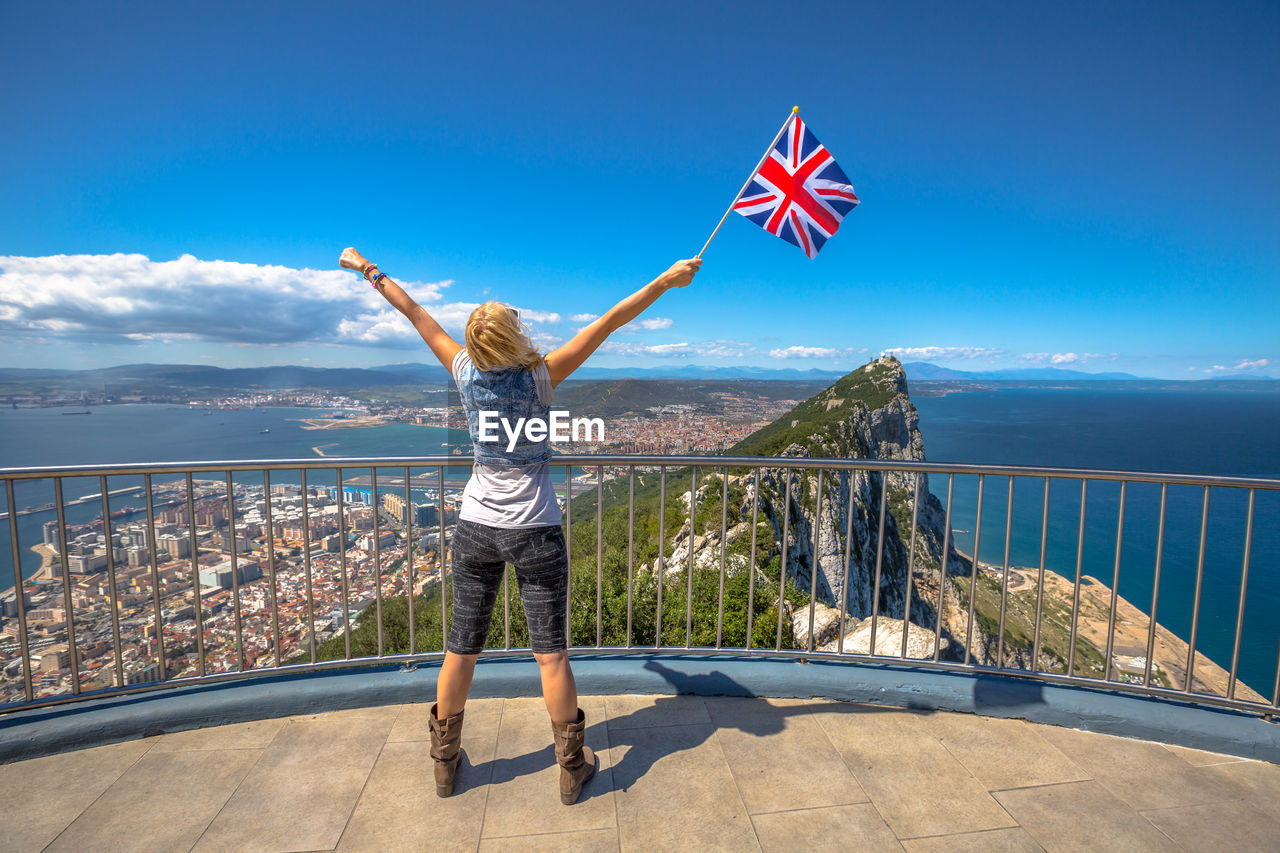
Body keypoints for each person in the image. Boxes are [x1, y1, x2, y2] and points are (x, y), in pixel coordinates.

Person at [338, 247, 700, 804]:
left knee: (461, 649)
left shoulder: (462, 370)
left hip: (476, 525)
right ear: (512, 336)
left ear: (477, 342)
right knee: (551, 655)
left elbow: (413, 313)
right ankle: (571, 768)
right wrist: (666, 281)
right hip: (536, 528)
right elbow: (611, 320)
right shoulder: (541, 376)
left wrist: (367, 269)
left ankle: (444, 761)